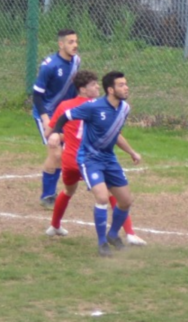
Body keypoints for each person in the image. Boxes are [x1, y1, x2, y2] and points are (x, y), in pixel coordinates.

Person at [44, 70, 145, 245]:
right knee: (109, 195)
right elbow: (115, 134)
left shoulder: (66, 105)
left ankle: (55, 225)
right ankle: (127, 233)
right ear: (82, 89)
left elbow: (51, 130)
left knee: (69, 191)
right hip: (86, 159)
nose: (97, 86)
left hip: (70, 159)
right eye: (93, 84)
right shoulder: (96, 106)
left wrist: (57, 135)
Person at [33, 29, 81, 209]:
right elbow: (37, 95)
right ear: (61, 44)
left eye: (76, 41)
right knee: (56, 152)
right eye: (70, 42)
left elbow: (75, 88)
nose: (74, 45)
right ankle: (47, 196)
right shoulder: (49, 66)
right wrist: (46, 120)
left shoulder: (76, 61)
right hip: (46, 114)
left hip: (65, 113)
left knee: (66, 153)